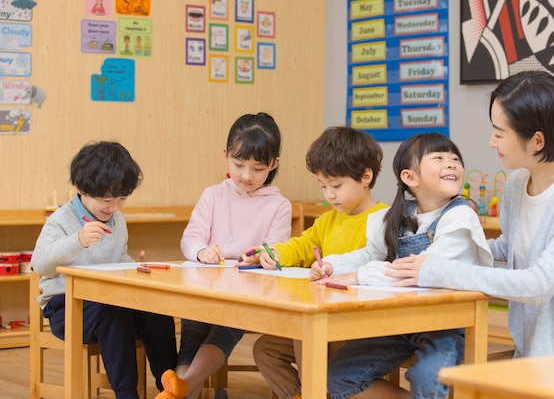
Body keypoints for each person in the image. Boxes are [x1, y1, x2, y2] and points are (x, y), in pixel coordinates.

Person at [395, 70, 554, 358]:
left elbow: (538, 284)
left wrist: (444, 271)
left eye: (500, 133)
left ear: (537, 141)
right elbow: (508, 248)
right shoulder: (517, 184)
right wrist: (439, 248)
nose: (492, 142)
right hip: (537, 349)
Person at [316, 132, 493, 399]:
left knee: (428, 379)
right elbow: (370, 254)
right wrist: (332, 265)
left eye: (455, 158)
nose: (451, 164)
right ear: (409, 177)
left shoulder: (460, 217)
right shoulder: (395, 216)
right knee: (338, 376)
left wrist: (359, 276)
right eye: (439, 158)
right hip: (401, 322)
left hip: (447, 326)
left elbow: (421, 272)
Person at [241, 126, 388, 399]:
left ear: (366, 176)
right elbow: (300, 245)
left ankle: (315, 391)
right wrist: (272, 253)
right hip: (324, 321)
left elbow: (377, 264)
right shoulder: (328, 219)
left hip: (356, 326)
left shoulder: (383, 219)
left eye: (336, 186)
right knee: (265, 349)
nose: (329, 195)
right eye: (323, 186)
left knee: (304, 331)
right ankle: (306, 394)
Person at [157, 112, 292, 399]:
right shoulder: (213, 195)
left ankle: (183, 387)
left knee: (225, 329)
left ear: (274, 164)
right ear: (226, 155)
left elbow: (277, 249)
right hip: (206, 287)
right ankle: (185, 390)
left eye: (257, 168)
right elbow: (190, 238)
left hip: (248, 293)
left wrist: (261, 257)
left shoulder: (279, 205)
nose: (246, 175)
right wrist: (201, 251)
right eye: (238, 164)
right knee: (193, 330)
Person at [31, 141, 177, 399]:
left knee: (157, 309)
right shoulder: (60, 220)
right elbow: (40, 263)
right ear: (81, 189)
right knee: (112, 313)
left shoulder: (116, 219)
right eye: (106, 200)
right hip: (67, 308)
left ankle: (169, 385)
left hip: (108, 301)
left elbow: (117, 257)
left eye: (122, 199)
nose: (113, 207)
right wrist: (78, 240)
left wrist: (135, 266)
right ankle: (126, 394)